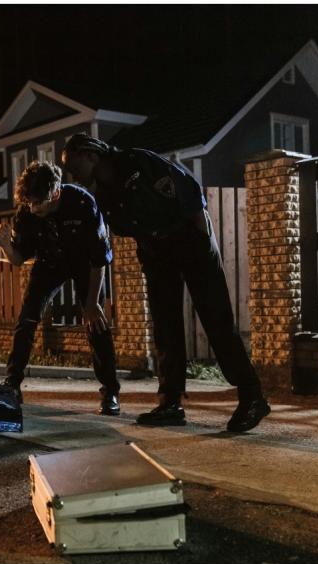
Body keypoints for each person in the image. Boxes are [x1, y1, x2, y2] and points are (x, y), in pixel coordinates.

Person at [60, 133, 270, 432]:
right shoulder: (103, 193)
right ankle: (170, 403)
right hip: (157, 254)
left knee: (217, 321)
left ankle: (252, 398)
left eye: (72, 163)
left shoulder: (138, 161)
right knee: (165, 327)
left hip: (189, 239)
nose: (71, 173)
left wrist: (203, 243)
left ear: (91, 154)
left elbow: (190, 191)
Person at [0, 160, 121, 415]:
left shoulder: (84, 205)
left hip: (85, 264)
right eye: (29, 202)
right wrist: (7, 244)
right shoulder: (27, 212)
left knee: (96, 323)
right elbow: (19, 259)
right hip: (49, 263)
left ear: (56, 193)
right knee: (26, 319)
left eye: (38, 203)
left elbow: (100, 258)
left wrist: (92, 303)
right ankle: (12, 385)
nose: (33, 208)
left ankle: (110, 393)